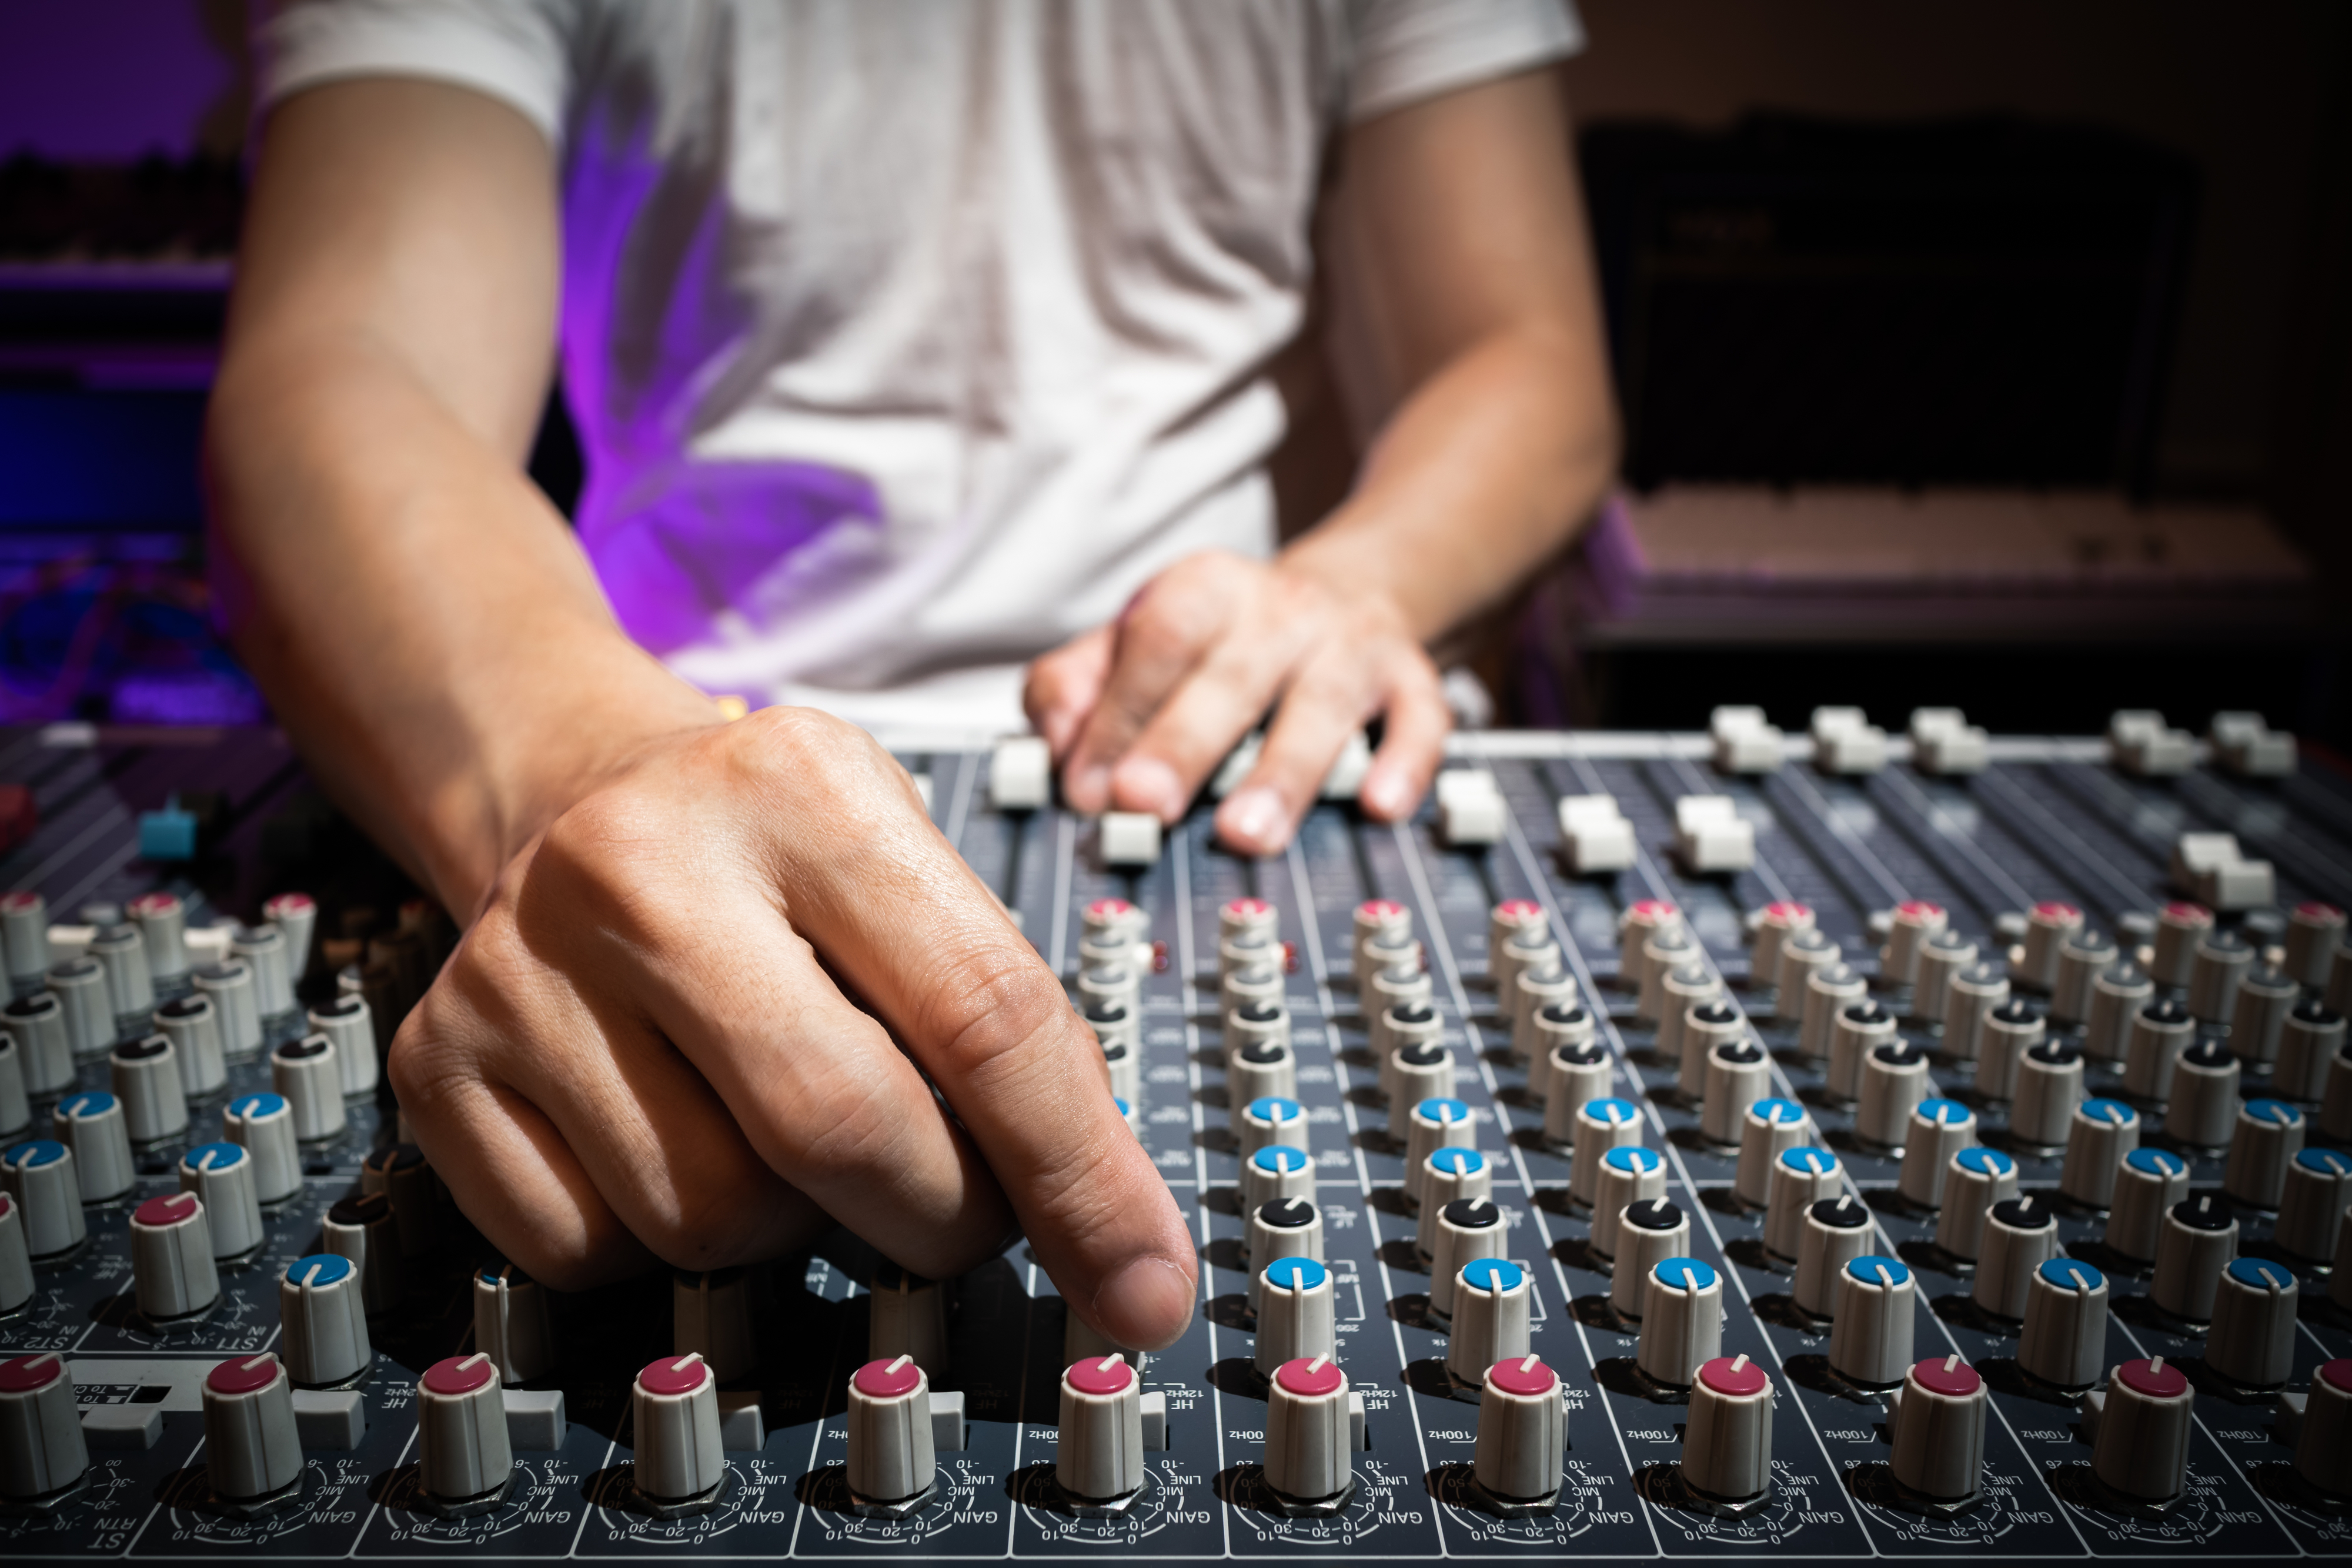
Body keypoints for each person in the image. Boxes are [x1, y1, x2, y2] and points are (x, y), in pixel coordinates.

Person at [208, 0, 1618, 1354]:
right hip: (663, 742)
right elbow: (343, 359)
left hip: (1228, 747)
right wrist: (579, 764)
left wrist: (1352, 582)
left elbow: (1524, 353)